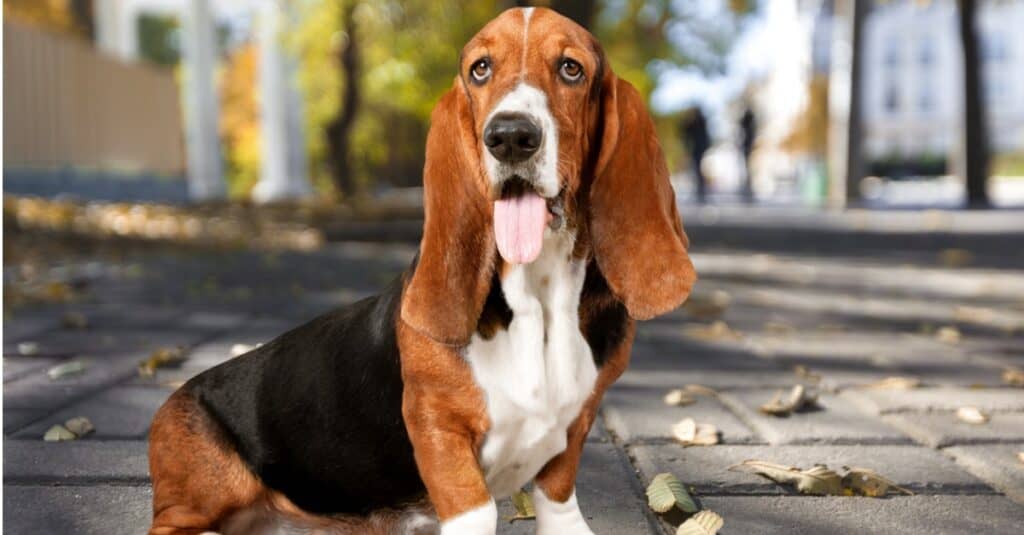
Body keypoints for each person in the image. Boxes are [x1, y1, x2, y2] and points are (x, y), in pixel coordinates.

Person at [681, 107, 711, 204]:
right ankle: (700, 189)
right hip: (698, 148)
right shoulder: (701, 121)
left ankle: (700, 189)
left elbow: (686, 132)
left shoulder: (697, 122)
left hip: (697, 148)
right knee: (697, 168)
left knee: (697, 168)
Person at [739, 106, 757, 203]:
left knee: (748, 170)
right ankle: (748, 190)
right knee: (748, 170)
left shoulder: (747, 124)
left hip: (747, 147)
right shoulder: (750, 124)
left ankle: (748, 190)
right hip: (748, 147)